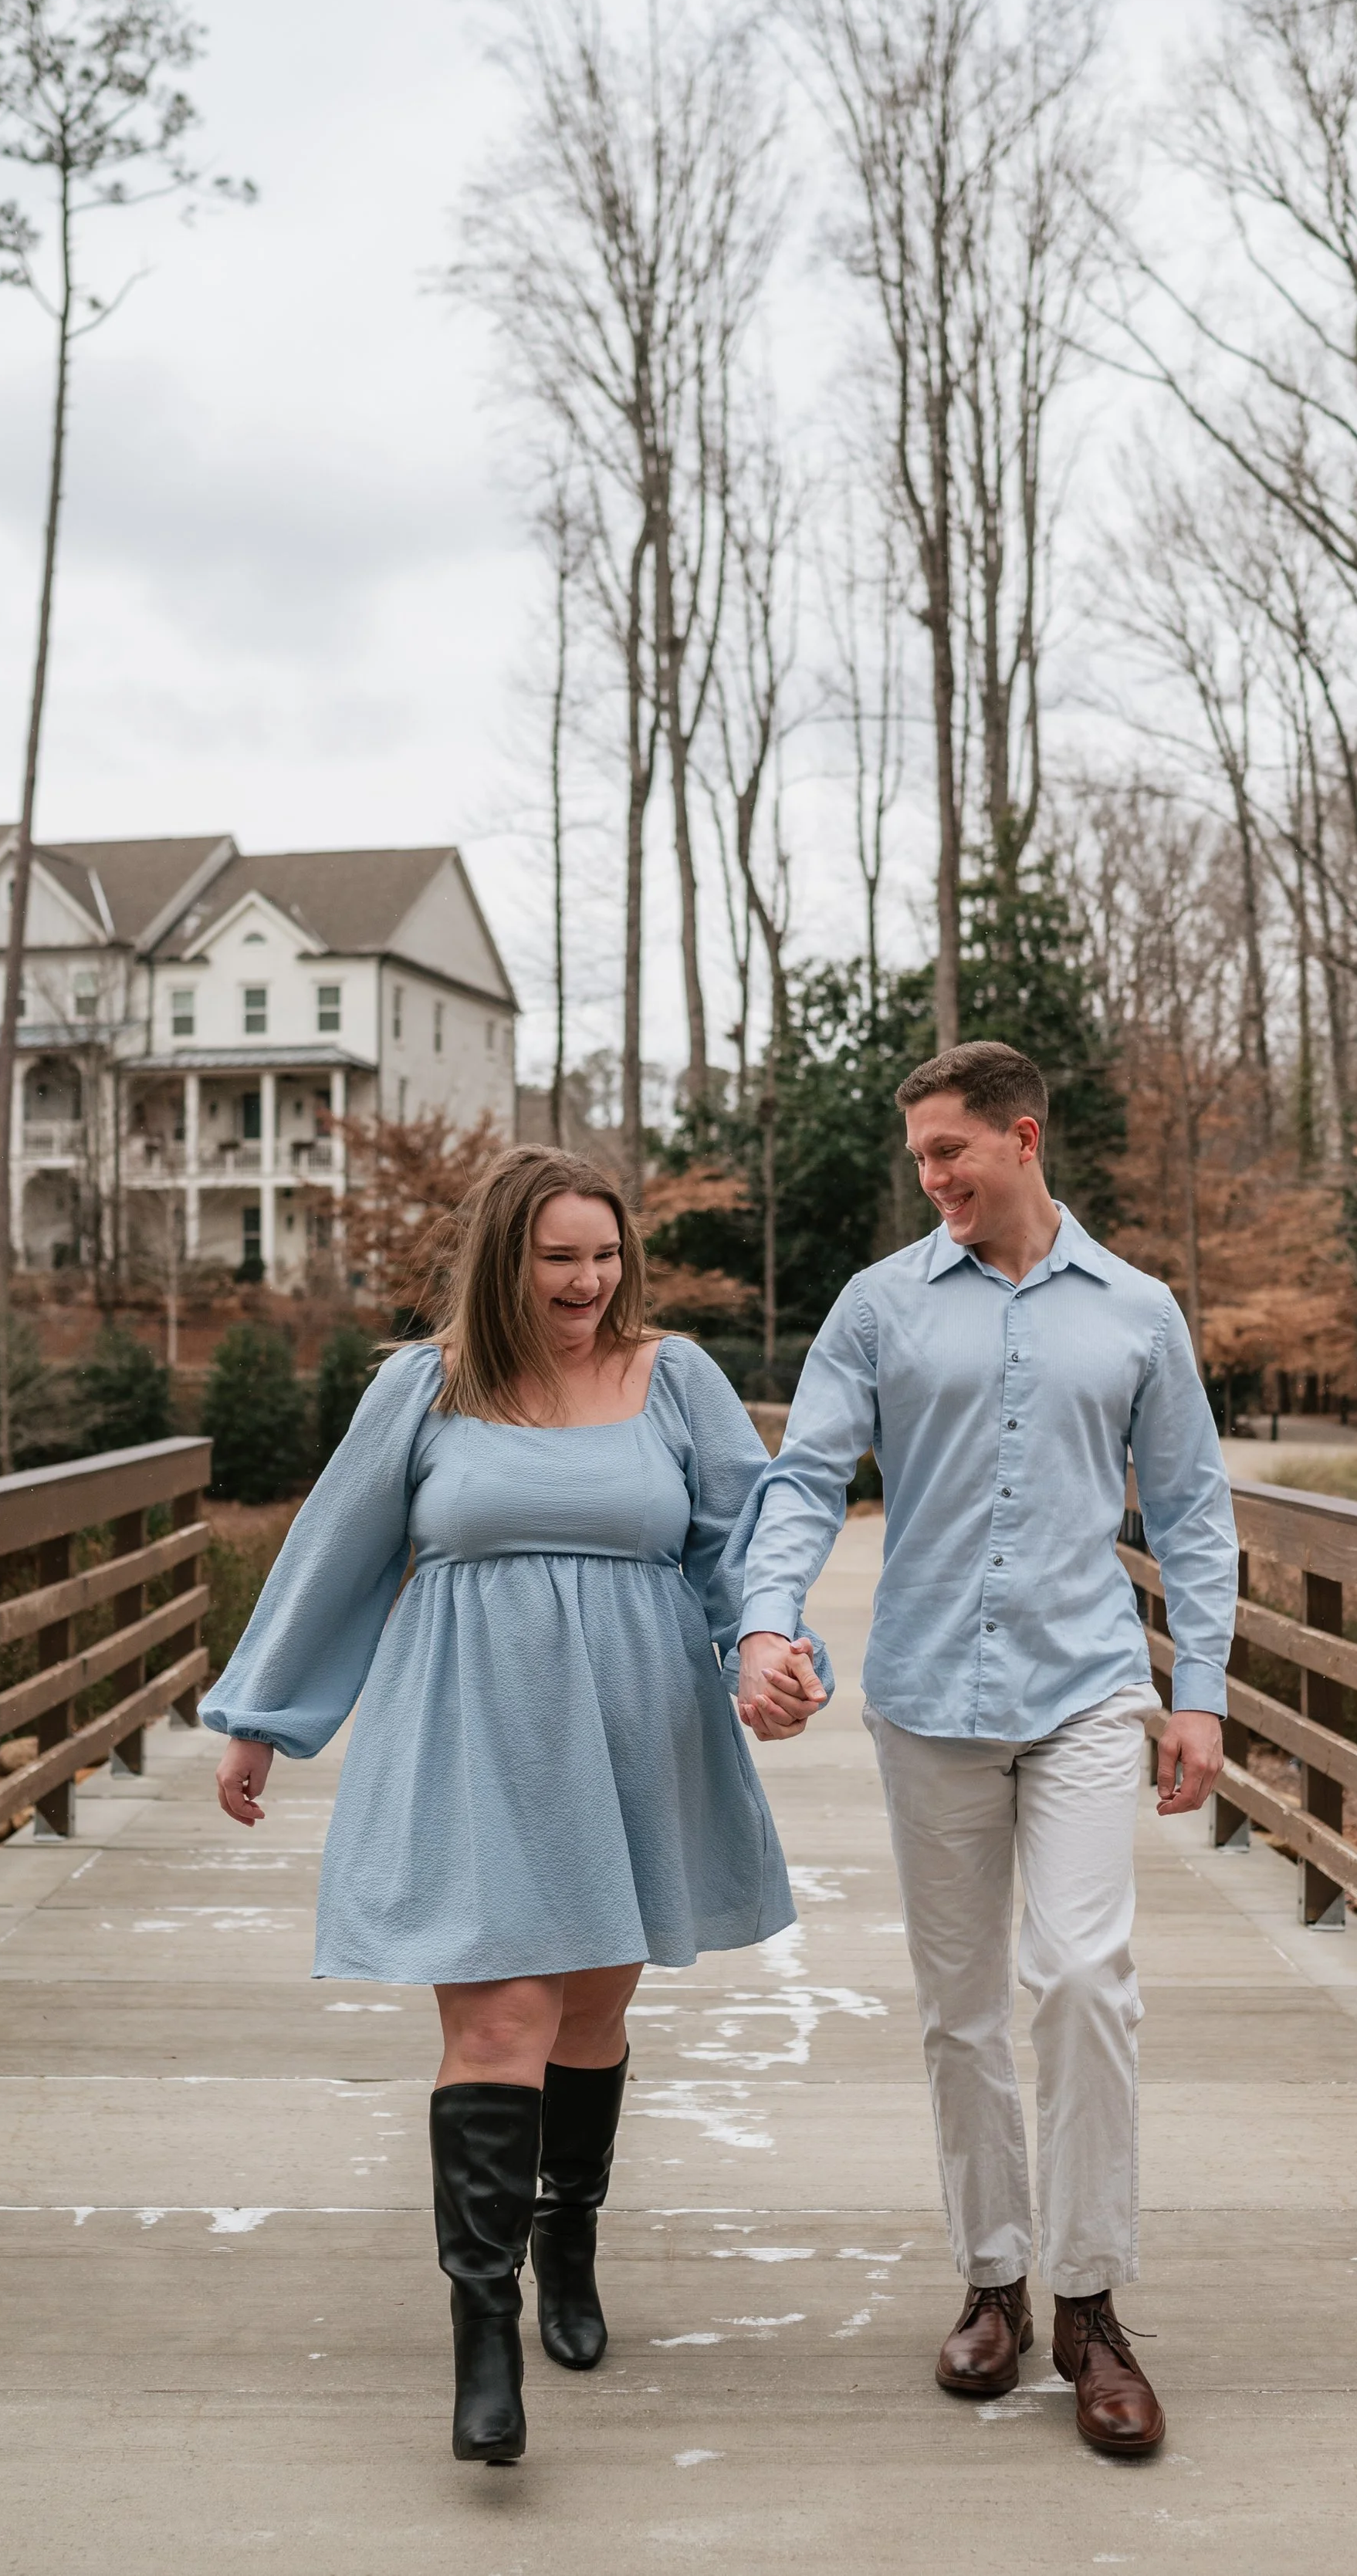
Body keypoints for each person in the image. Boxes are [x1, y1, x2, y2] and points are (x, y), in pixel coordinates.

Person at [201, 1145, 827, 2467]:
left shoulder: (675, 1377)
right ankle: (482, 2335)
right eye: (559, 1259)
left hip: (633, 1737)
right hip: (469, 1732)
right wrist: (262, 1719)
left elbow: (742, 1536)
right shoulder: (423, 1388)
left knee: (591, 2009)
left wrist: (766, 1648)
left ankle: (569, 2238)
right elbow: (333, 1549)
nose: (588, 1281)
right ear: (505, 1261)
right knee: (499, 2013)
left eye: (605, 1256)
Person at [738, 1040, 1237, 2459]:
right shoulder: (879, 1306)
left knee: (1082, 1977)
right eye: (919, 1163)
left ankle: (1090, 2306)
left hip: (1084, 1689)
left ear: (1022, 1139)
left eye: (951, 1153)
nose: (933, 1180)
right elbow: (804, 1478)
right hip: (924, 1700)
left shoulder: (1138, 1313)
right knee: (960, 2009)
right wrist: (767, 1622)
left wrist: (1194, 1690)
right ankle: (994, 2282)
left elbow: (1193, 1514)